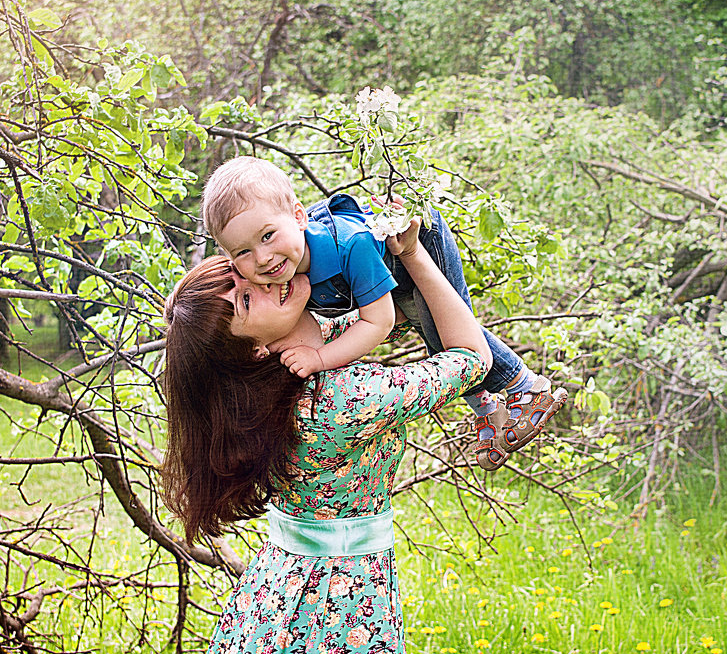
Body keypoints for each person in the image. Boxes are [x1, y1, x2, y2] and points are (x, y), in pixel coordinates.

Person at [163, 219, 491, 654]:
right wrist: (413, 256)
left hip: (275, 598)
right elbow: (473, 358)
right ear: (252, 350)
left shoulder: (278, 379)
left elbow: (377, 317)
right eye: (246, 301)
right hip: (341, 608)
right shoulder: (341, 401)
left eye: (245, 271)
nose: (267, 280)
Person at [199, 156, 565, 469]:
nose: (262, 259)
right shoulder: (282, 269)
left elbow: (380, 321)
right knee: (433, 329)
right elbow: (325, 324)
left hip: (416, 241)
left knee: (446, 336)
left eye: (267, 236)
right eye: (242, 253)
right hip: (388, 280)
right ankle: (491, 409)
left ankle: (524, 388)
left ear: (298, 217)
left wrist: (320, 358)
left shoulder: (349, 246)